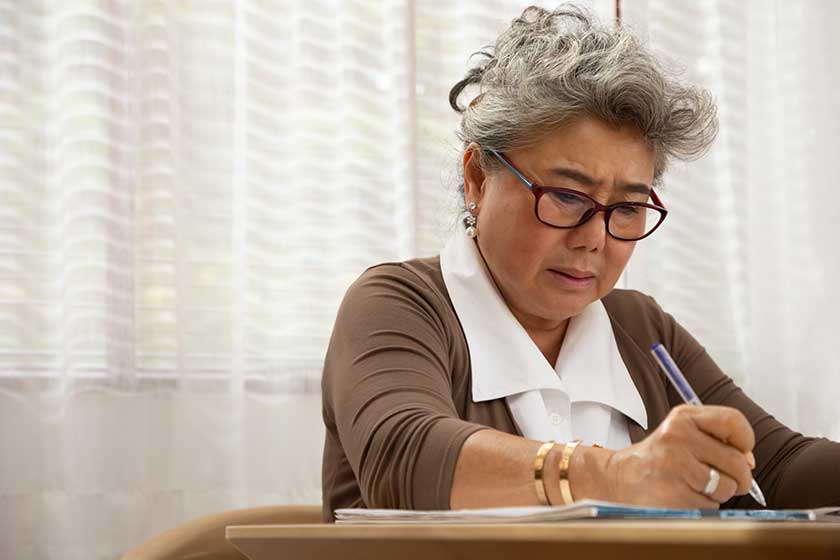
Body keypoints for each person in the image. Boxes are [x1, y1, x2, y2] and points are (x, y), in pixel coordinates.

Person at [320, 4, 840, 522]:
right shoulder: (400, 303)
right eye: (567, 196)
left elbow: (778, 468)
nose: (594, 238)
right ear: (478, 176)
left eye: (629, 208)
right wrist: (622, 475)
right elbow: (405, 458)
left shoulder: (639, 327)